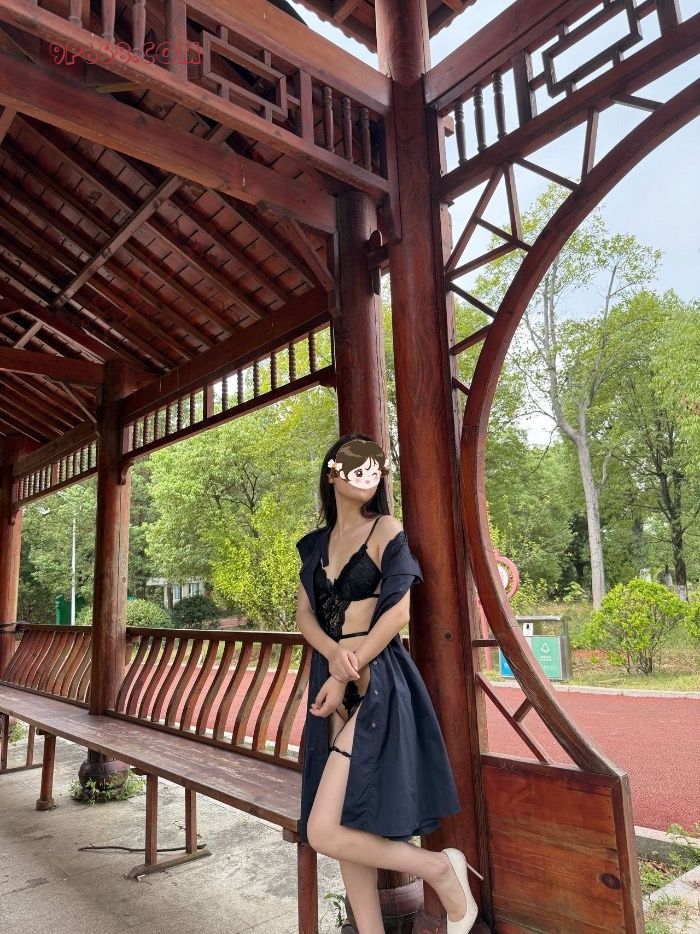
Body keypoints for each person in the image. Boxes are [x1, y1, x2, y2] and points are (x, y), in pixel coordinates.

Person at [295, 434, 483, 934]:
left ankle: (439, 868)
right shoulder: (315, 545)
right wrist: (333, 656)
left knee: (321, 831)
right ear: (332, 472)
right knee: (343, 824)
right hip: (332, 679)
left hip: (376, 680)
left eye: (375, 468)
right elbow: (305, 616)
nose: (367, 474)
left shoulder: (385, 528)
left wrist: (346, 668)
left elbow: (398, 612)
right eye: (356, 465)